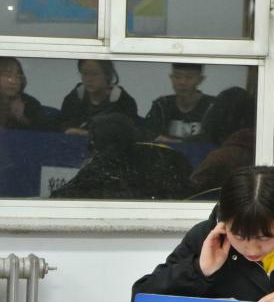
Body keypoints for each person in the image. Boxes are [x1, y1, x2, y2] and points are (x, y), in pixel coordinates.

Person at [132, 165, 274, 302]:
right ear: (224, 220)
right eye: (238, 236)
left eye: (265, 237)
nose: (252, 250)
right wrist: (199, 270)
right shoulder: (207, 238)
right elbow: (142, 301)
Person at [50, 113, 192, 200]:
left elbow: (58, 199)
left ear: (98, 142)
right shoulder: (166, 155)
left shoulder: (103, 165)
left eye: (93, 139)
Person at [58, 59, 138, 135]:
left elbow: (127, 134)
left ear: (107, 75)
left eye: (95, 74)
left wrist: (87, 134)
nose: (89, 79)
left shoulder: (124, 103)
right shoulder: (72, 100)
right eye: (85, 74)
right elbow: (62, 127)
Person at [143, 62, 213, 142]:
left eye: (189, 77)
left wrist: (175, 143)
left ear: (200, 79)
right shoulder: (162, 105)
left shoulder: (212, 107)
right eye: (177, 77)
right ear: (171, 78)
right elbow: (149, 136)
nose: (182, 82)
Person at [0, 57, 51, 130]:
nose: (13, 81)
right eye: (7, 75)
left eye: (18, 76)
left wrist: (21, 118)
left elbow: (46, 132)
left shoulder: (29, 103)